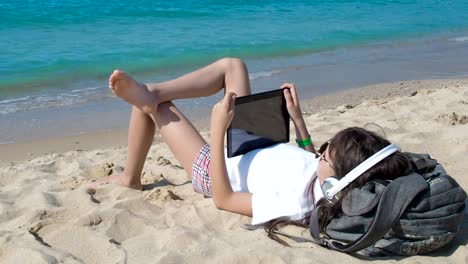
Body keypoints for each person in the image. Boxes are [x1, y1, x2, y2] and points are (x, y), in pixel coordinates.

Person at [88, 58, 411, 244]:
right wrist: (298, 121)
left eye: (326, 154)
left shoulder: (296, 204)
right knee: (233, 65)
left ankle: (131, 175)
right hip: (258, 141)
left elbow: (224, 200)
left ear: (339, 180)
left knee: (153, 107)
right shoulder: (334, 184)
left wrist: (217, 131)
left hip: (218, 167)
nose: (321, 152)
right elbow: (311, 163)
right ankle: (151, 91)